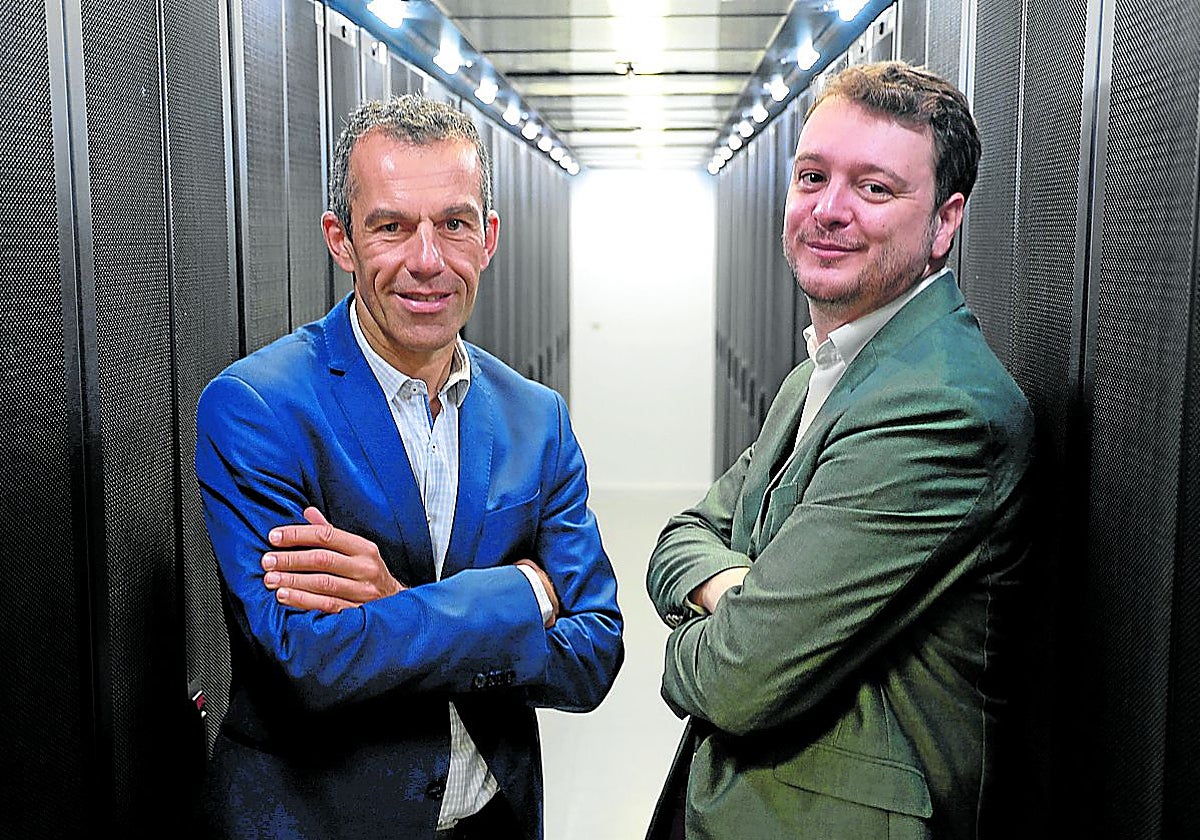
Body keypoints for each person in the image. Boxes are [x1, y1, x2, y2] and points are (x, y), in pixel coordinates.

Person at [195, 95, 623, 840]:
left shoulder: (536, 418)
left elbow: (594, 652)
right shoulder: (258, 408)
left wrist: (393, 599)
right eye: (391, 226)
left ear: (487, 238)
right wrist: (519, 595)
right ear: (341, 240)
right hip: (318, 822)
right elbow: (309, 660)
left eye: (454, 224)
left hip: (496, 815)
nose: (427, 261)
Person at [645, 61, 1035, 840]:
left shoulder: (940, 407)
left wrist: (708, 633)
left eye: (874, 188)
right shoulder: (816, 374)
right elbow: (676, 538)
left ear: (945, 221)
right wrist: (742, 598)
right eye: (813, 176)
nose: (829, 210)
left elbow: (737, 675)